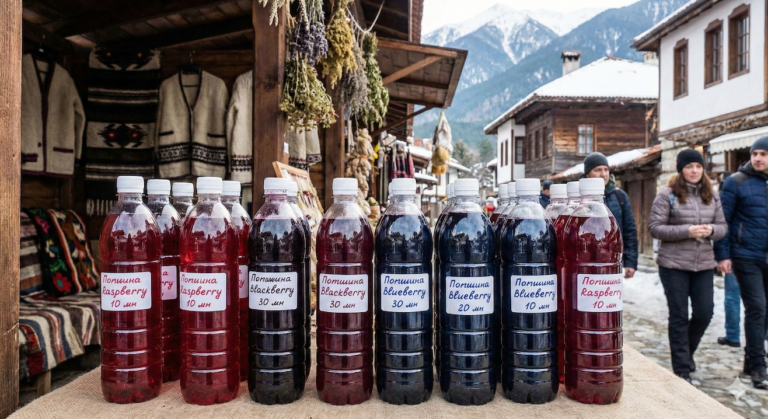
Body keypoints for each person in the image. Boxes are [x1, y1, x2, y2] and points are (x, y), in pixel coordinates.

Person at [648, 149, 727, 382]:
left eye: (698, 166)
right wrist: (688, 231)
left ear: (703, 169)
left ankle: (686, 352)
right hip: (673, 264)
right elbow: (655, 228)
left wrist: (711, 230)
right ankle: (682, 368)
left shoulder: (712, 195)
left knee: (704, 313)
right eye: (689, 166)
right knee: (679, 316)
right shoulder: (667, 195)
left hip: (703, 264)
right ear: (681, 170)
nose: (694, 171)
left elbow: (723, 226)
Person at [716, 136, 768, 389]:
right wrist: (723, 255)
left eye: (763, 154)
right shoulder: (735, 182)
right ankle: (759, 366)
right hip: (745, 255)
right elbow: (723, 220)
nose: (758, 158)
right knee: (757, 307)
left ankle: (751, 360)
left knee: (765, 310)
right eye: (755, 153)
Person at [583, 152, 638, 278]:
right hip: (584, 260)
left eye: (606, 169)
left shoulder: (619, 196)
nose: (603, 174)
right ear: (587, 174)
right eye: (597, 170)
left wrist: (630, 262)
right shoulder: (578, 198)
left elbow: (629, 230)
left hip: (612, 260)